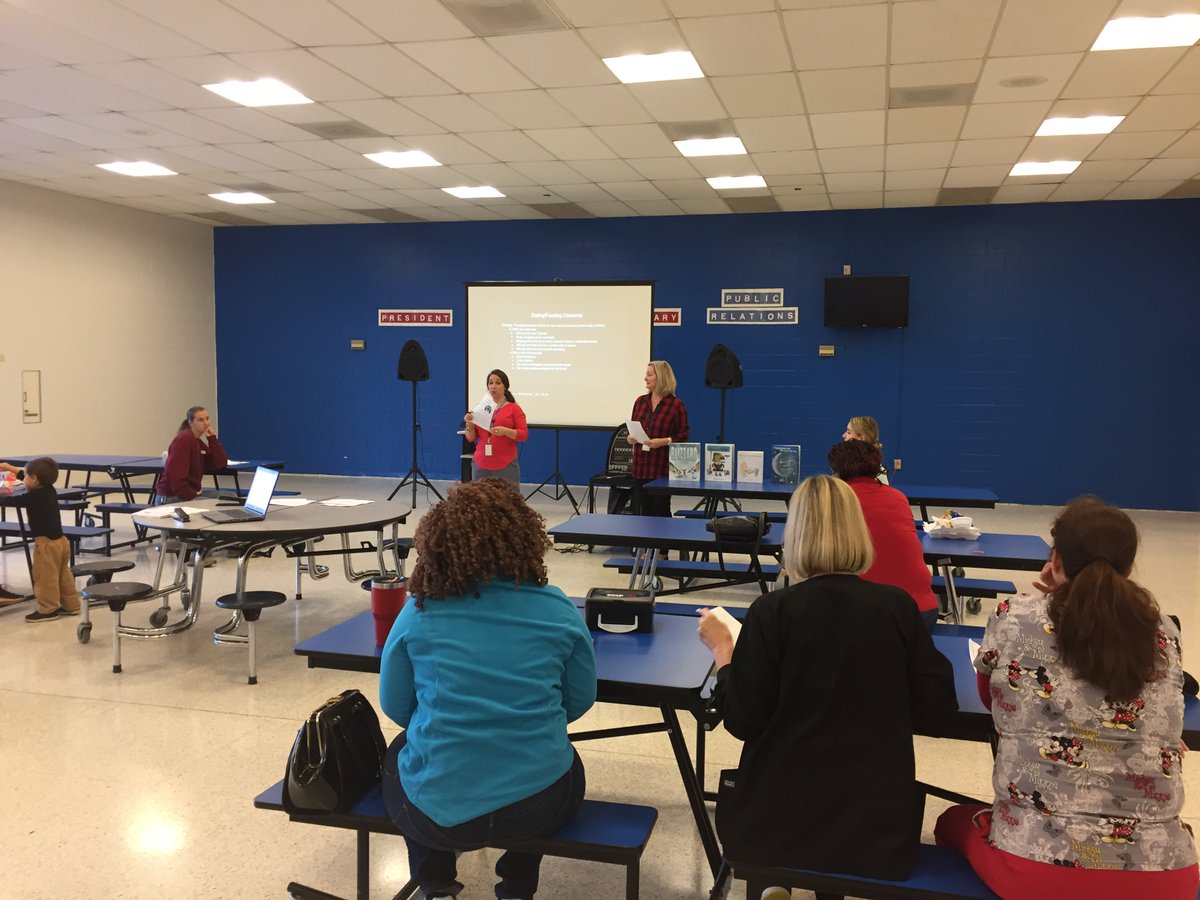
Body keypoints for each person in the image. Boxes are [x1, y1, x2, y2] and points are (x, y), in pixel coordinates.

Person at [935, 497, 1198, 899]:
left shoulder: (1014, 615)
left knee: (951, 822)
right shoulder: (1164, 631)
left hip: (1036, 870)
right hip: (1166, 877)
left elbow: (991, 699)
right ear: (1129, 568)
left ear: (1054, 560)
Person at [697, 475, 956, 881]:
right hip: (876, 832)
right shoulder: (897, 607)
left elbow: (743, 721)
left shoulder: (772, 611)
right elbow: (938, 712)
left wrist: (724, 655)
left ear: (795, 534)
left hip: (776, 826)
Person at [379, 478, 597, 900]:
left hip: (439, 811)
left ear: (437, 545)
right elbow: (579, 700)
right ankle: (517, 885)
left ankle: (435, 882)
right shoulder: (558, 609)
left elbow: (396, 706)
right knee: (558, 759)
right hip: (539, 807)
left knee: (400, 754)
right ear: (525, 540)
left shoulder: (419, 611)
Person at [828, 440, 939, 629]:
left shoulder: (837, 500)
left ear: (838, 471)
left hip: (876, 612)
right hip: (923, 611)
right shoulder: (898, 496)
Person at [0, 458, 83, 622]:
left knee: (45, 578)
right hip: (61, 542)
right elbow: (26, 476)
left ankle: (48, 609)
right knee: (63, 575)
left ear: (34, 479)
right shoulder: (49, 489)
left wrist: (4, 482)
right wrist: (9, 468)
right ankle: (72, 605)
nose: (23, 479)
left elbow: (8, 500)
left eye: (26, 477)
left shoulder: (34, 496)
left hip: (46, 544)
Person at [627, 360, 689, 517]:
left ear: (661, 377)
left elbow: (683, 436)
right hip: (641, 467)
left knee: (661, 511)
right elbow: (634, 427)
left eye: (649, 375)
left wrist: (664, 441)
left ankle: (666, 535)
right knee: (644, 512)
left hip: (661, 468)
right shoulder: (640, 402)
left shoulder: (676, 405)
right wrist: (631, 438)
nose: (645, 378)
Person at [463, 369, 528, 489]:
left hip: (505, 464)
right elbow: (471, 438)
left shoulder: (514, 408)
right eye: (490, 383)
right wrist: (469, 425)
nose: (493, 386)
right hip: (481, 462)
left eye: (498, 383)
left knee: (507, 498)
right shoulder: (481, 408)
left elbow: (523, 435)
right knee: (479, 498)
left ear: (505, 386)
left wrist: (505, 431)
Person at [156, 405, 228, 502]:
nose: (206, 423)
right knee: (214, 504)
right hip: (171, 496)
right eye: (201, 420)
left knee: (230, 496)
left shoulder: (197, 441)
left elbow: (220, 464)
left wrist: (212, 440)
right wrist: (191, 494)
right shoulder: (184, 439)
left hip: (191, 492)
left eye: (207, 419)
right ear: (190, 422)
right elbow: (175, 477)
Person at [842, 415, 888, 484]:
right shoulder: (845, 464)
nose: (843, 435)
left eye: (849, 432)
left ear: (861, 438)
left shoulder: (876, 472)